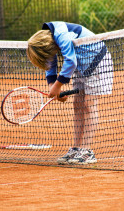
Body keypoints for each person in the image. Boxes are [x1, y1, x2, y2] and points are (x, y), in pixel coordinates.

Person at [26, 22, 113, 165]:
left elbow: (70, 61)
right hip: (82, 65)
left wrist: (58, 85)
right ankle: (77, 148)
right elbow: (50, 62)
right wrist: (52, 85)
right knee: (77, 105)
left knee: (89, 105)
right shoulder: (50, 40)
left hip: (97, 61)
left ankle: (87, 151)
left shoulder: (60, 35)